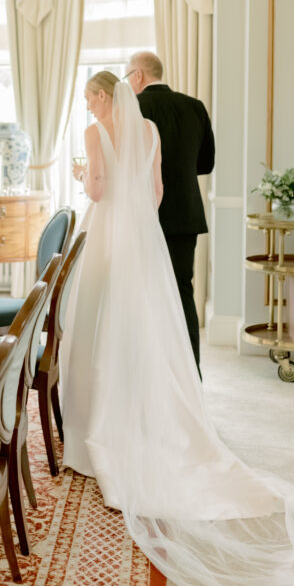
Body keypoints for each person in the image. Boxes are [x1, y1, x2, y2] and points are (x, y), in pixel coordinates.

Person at [61, 71, 294, 586]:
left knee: (99, 323)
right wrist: (135, 215)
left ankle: (97, 427)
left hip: (111, 235)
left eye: (89, 97)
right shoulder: (151, 129)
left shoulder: (93, 134)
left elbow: (97, 191)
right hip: (148, 235)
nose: (87, 105)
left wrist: (89, 177)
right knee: (157, 320)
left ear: (106, 96)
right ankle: (162, 408)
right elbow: (156, 193)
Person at [124, 51, 214, 373]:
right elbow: (206, 164)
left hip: (144, 214)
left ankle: (149, 372)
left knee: (142, 292)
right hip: (186, 214)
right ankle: (191, 372)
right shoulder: (195, 106)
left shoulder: (134, 108)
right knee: (181, 290)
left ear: (137, 76)